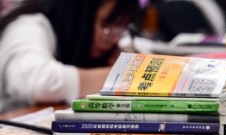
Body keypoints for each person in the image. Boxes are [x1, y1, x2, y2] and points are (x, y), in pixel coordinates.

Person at [0, 0, 140, 113]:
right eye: (106, 26)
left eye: (121, 28)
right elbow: (38, 83)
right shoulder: (28, 26)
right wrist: (122, 75)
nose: (114, 39)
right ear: (79, 16)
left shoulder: (85, 46)